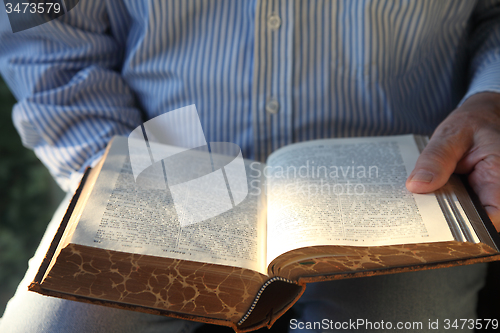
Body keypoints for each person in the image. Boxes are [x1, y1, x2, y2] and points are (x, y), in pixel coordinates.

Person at [0, 1, 499, 332]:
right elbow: (42, 27)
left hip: (401, 180)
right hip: (158, 161)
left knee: (407, 320)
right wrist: (121, 167)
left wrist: (491, 101)